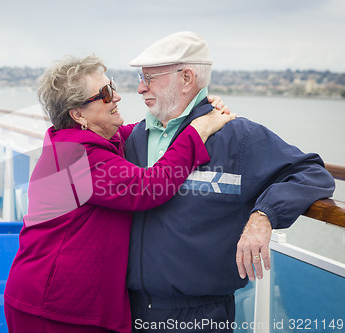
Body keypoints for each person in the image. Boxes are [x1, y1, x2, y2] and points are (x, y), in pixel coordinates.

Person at [4, 54, 235, 333]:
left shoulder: (100, 139)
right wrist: (200, 129)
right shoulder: (77, 157)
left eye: (111, 86)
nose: (117, 97)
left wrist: (195, 108)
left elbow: (147, 131)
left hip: (65, 302)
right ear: (78, 114)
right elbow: (149, 187)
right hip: (51, 308)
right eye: (104, 94)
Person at [124, 31, 336, 332]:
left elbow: (311, 172)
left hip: (199, 318)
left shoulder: (238, 138)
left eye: (149, 77)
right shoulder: (136, 138)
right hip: (129, 312)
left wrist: (264, 215)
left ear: (186, 78)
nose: (140, 87)